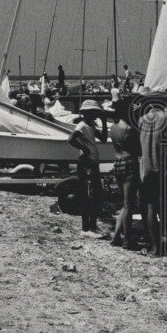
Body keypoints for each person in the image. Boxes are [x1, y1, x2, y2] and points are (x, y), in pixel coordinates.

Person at [137, 94, 167, 256]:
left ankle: (155, 247)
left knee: (150, 207)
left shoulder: (142, 120)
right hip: (166, 167)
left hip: (147, 168)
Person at [108, 98, 142, 249]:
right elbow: (138, 150)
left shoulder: (113, 127)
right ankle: (127, 240)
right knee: (129, 205)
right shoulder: (129, 129)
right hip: (129, 163)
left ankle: (116, 236)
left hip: (117, 163)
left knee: (124, 204)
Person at [68, 99, 104, 237]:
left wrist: (104, 122)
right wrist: (84, 149)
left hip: (92, 162)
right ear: (88, 113)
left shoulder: (90, 125)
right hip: (86, 162)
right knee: (88, 195)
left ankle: (92, 226)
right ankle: (86, 228)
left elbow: (104, 137)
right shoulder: (82, 125)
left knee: (95, 196)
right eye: (94, 112)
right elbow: (71, 139)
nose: (96, 114)